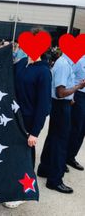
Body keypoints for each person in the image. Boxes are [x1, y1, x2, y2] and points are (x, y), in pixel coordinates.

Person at [3, 28, 52, 208]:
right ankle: (12, 186)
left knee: (25, 156)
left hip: (30, 121)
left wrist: (35, 132)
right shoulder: (22, 63)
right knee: (13, 154)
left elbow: (44, 105)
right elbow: (3, 73)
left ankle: (24, 192)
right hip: (15, 117)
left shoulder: (44, 72)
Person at [37, 54, 85, 194]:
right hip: (60, 105)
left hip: (62, 104)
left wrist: (70, 96)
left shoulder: (66, 62)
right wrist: (78, 86)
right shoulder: (64, 64)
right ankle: (55, 180)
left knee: (53, 138)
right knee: (61, 143)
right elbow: (60, 92)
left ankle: (44, 168)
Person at [66, 56, 85, 171]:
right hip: (79, 95)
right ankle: (63, 158)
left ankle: (71, 156)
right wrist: (71, 96)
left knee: (82, 130)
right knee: (75, 127)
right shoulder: (79, 59)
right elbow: (71, 77)